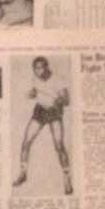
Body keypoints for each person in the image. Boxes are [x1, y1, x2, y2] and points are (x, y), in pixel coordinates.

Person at [13, 57, 73, 194]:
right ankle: (23, 173)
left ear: (46, 67)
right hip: (40, 110)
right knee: (26, 142)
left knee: (59, 146)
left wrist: (59, 100)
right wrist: (32, 93)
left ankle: (67, 179)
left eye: (40, 68)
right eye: (35, 68)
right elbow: (36, 90)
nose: (37, 71)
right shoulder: (35, 78)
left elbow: (67, 101)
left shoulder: (58, 80)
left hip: (54, 112)